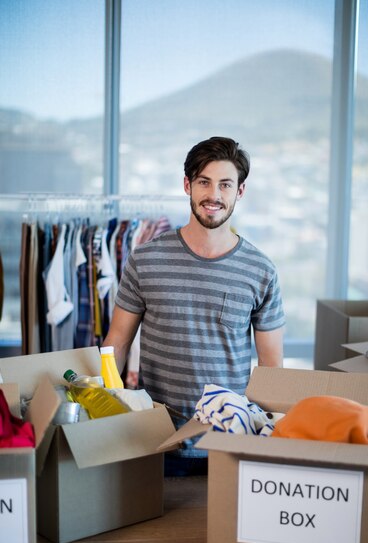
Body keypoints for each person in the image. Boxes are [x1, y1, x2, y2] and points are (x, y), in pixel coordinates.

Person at [103, 136, 285, 475]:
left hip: (229, 446)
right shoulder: (145, 259)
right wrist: (106, 419)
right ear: (187, 184)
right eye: (204, 182)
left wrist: (265, 442)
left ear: (239, 192)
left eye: (225, 185)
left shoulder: (261, 270)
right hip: (157, 443)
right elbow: (117, 343)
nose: (214, 195)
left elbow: (272, 366)